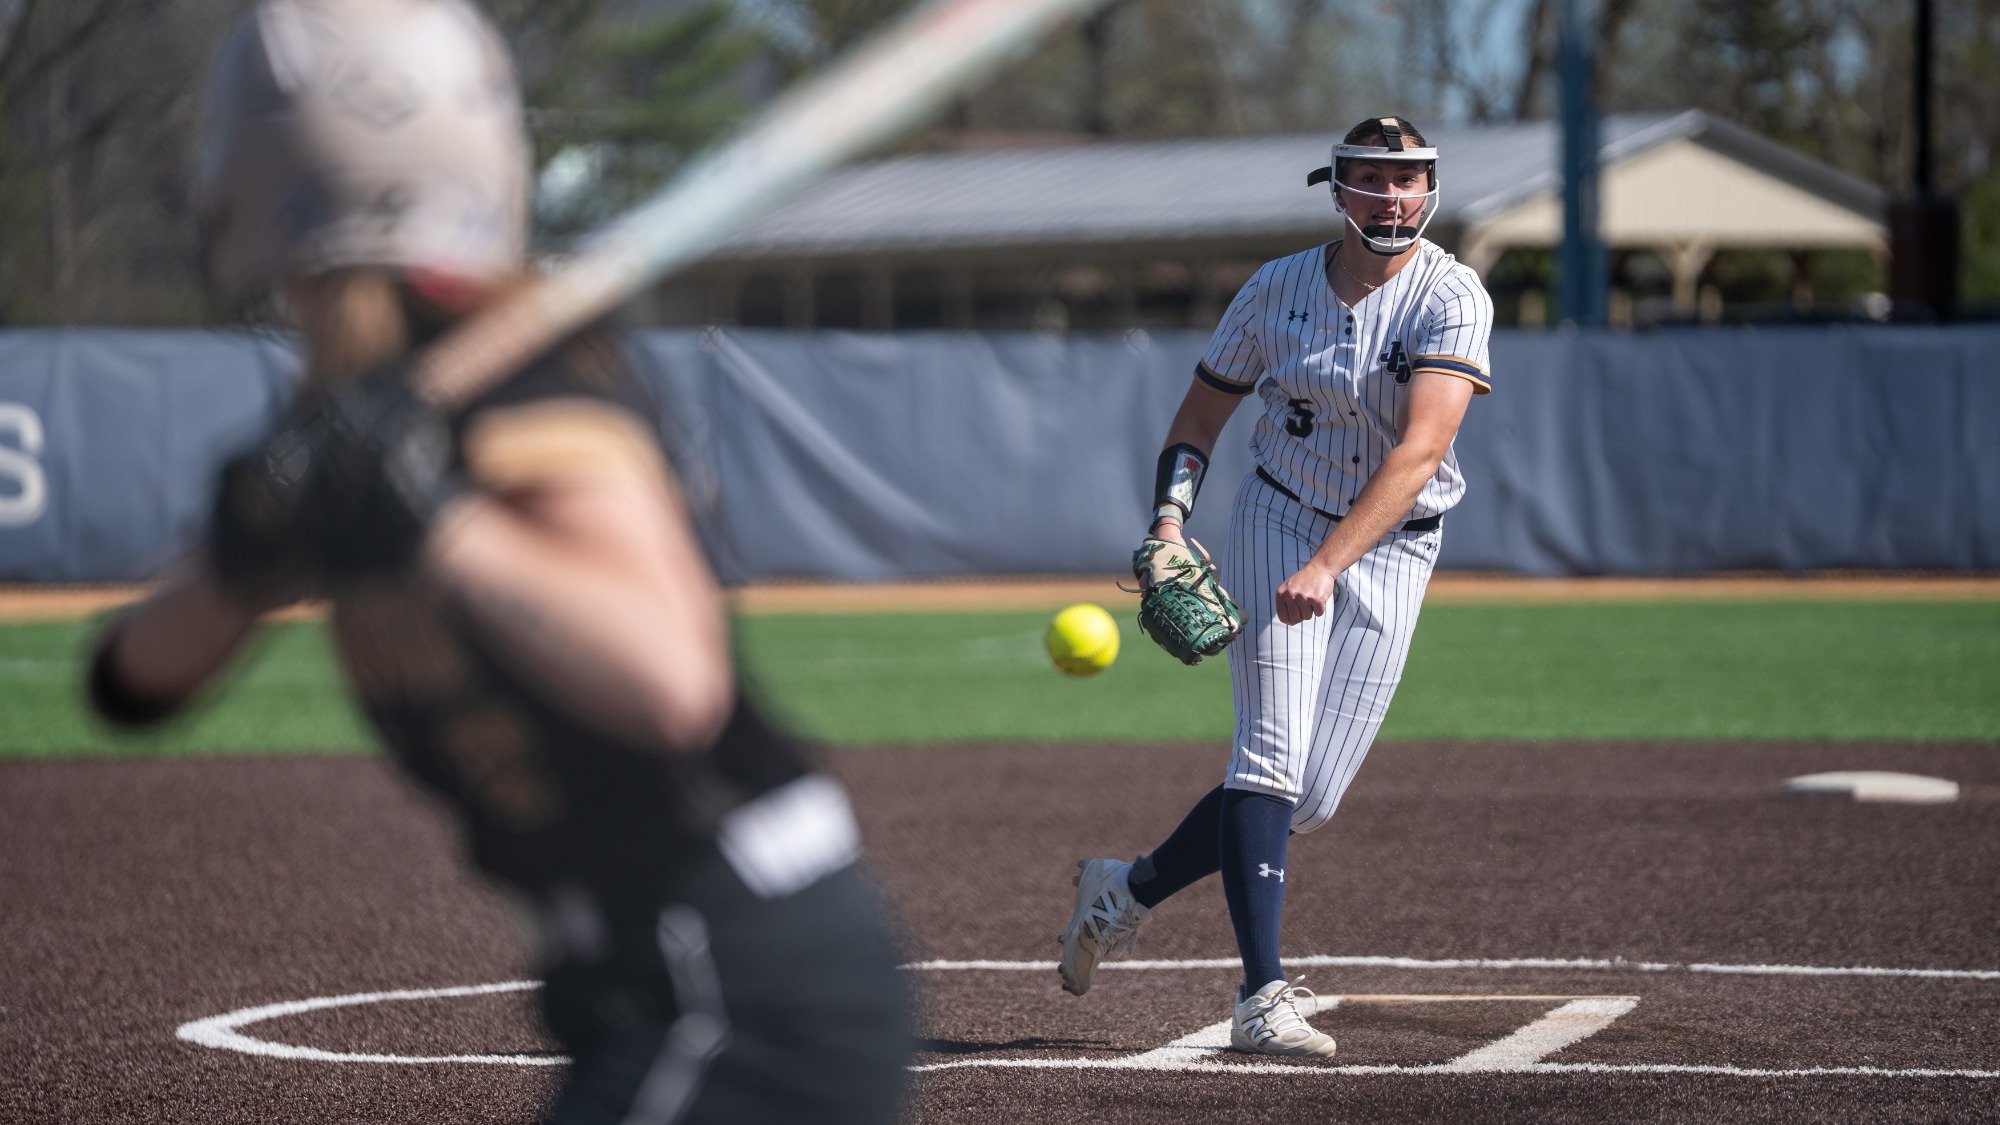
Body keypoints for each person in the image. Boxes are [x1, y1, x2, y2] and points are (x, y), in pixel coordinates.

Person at [85, 2, 909, 1120]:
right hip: (631, 985)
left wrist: (440, 526)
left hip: (737, 980)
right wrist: (242, 540)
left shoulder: (537, 388)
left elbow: (668, 684)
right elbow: (131, 685)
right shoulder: (345, 422)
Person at [1058, 116, 1493, 1057]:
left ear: (1431, 190)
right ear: (1335, 190)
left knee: (1313, 795)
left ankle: (1123, 890)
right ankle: (1261, 994)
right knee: (1266, 754)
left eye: (1409, 180)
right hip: (1280, 515)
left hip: (1390, 542)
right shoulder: (1275, 289)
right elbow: (1199, 417)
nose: (1392, 197)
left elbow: (1422, 451)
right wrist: (1170, 521)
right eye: (1371, 180)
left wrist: (1331, 564)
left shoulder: (1452, 294)